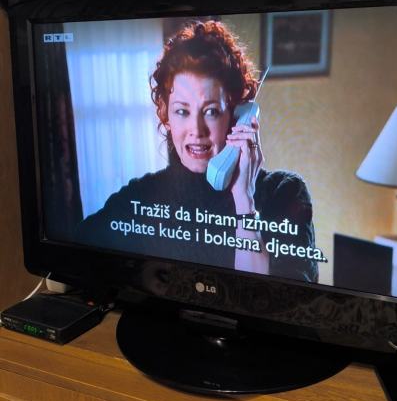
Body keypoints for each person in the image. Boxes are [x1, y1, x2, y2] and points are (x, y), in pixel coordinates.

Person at [76, 20, 318, 282]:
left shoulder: (284, 193)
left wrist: (244, 200)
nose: (196, 129)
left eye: (211, 111)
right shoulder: (140, 197)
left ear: (236, 115)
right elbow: (73, 257)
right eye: (182, 111)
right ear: (165, 115)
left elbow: (275, 300)